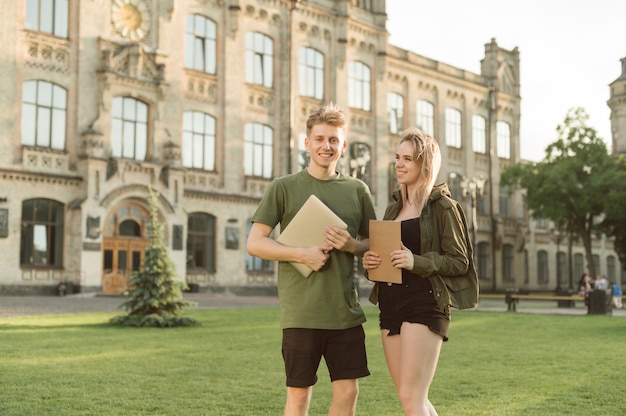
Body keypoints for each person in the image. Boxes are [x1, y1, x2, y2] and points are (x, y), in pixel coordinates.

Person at [247, 103, 377, 416]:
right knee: (299, 396)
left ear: (343, 145)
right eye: (319, 139)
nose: (326, 146)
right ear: (307, 143)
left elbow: (374, 243)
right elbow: (255, 243)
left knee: (348, 392)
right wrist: (301, 254)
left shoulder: (358, 189)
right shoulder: (283, 187)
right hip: (301, 314)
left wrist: (352, 246)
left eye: (333, 140)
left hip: (345, 313)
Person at [362, 128, 478, 416]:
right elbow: (388, 260)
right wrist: (371, 263)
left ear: (424, 165)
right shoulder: (392, 209)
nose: (399, 164)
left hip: (424, 301)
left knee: (412, 397)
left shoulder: (443, 207)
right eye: (397, 158)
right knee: (410, 399)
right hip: (390, 304)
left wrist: (417, 262)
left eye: (408, 159)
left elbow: (460, 261)